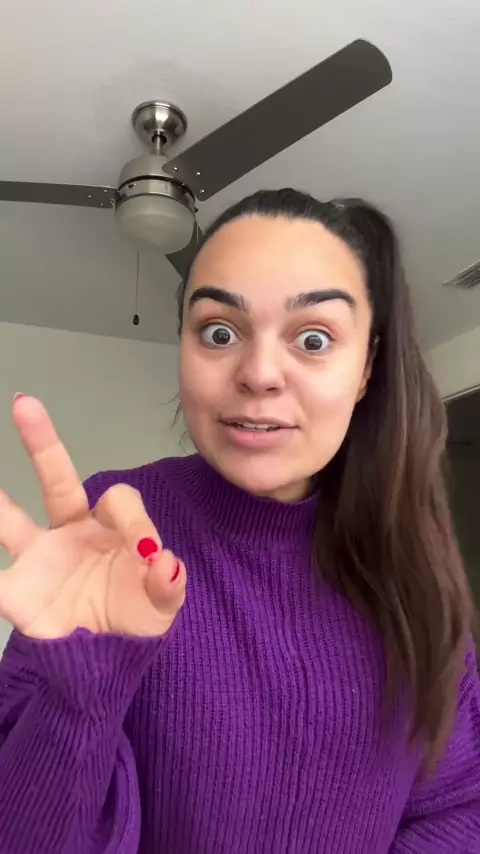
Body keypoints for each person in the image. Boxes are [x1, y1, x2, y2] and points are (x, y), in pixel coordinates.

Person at [0, 189, 478, 854]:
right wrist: (80, 693)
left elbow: (457, 804)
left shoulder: (410, 560)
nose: (258, 374)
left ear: (367, 368)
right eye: (219, 332)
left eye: (313, 339)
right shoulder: (114, 530)